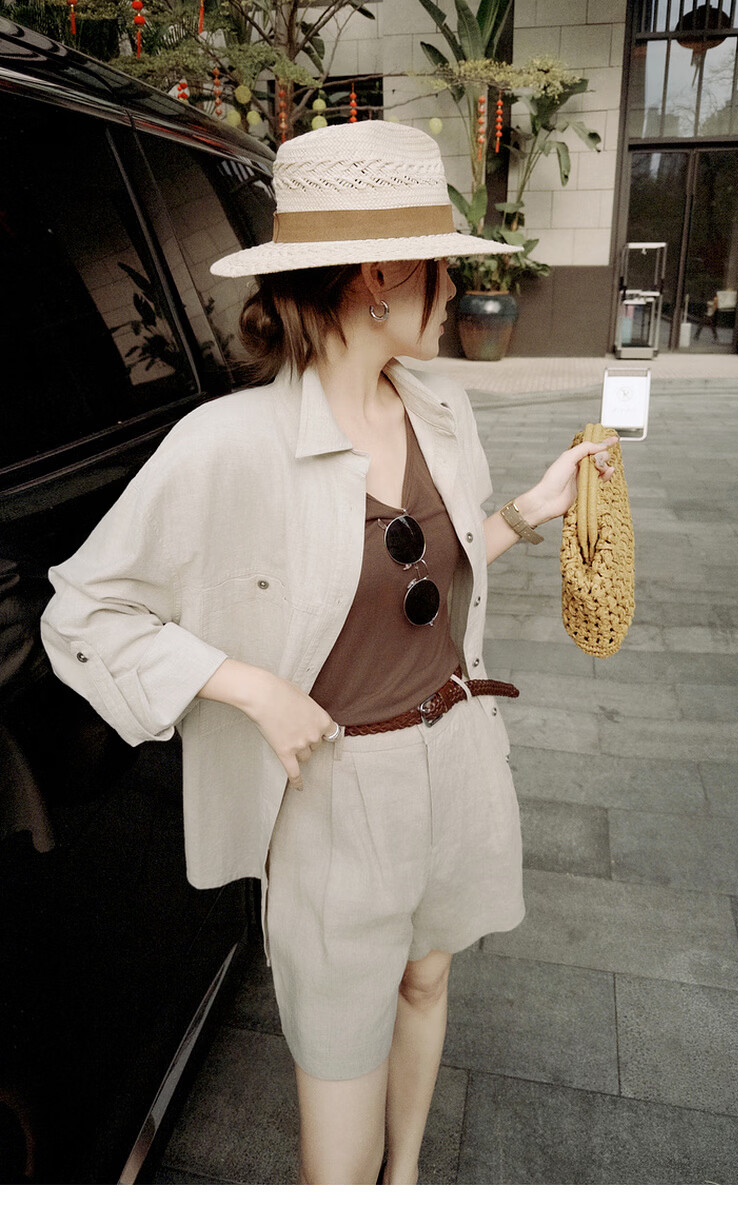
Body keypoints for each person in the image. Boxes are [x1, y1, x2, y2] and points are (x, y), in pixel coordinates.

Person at [40, 121, 616, 1185]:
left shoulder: (440, 412)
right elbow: (82, 612)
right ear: (380, 278)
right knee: (338, 1074)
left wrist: (526, 514)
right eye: (442, 265)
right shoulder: (227, 445)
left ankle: (407, 1179)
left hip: (459, 755)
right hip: (338, 795)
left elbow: (417, 590)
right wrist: (248, 686)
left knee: (428, 980)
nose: (458, 289)